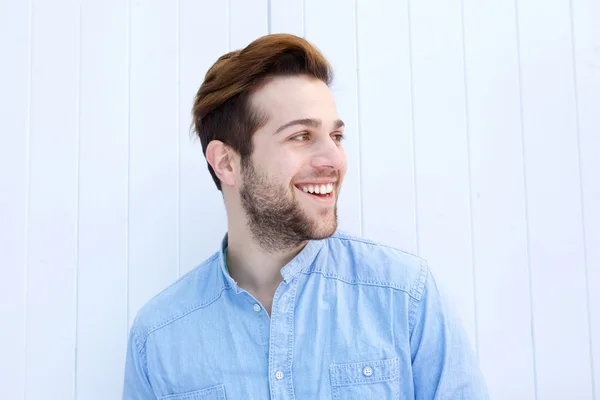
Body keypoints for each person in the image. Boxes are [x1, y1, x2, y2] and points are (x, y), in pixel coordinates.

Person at [123, 33, 488, 399]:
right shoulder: (158, 339)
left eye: (336, 136)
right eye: (301, 136)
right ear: (226, 163)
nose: (334, 160)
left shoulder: (406, 296)